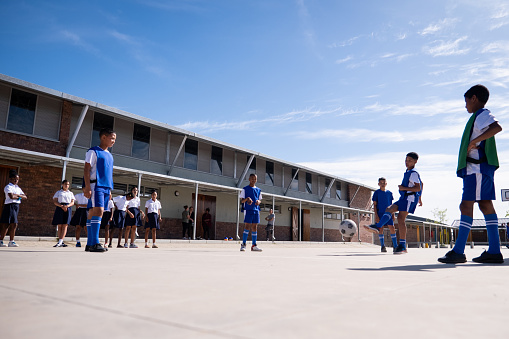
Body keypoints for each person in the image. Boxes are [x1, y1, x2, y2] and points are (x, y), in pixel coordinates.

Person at [439, 84, 504, 264]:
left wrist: (475, 141)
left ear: (474, 98)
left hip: (477, 170)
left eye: (466, 101)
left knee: (465, 206)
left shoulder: (482, 114)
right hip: (480, 170)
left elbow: (497, 127)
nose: (465, 105)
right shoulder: (478, 116)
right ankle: (494, 251)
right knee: (485, 205)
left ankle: (459, 251)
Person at [364, 152, 422, 254]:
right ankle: (379, 226)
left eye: (410, 160)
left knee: (401, 219)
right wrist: (420, 198)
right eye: (406, 160)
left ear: (415, 161)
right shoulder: (409, 172)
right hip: (404, 198)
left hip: (409, 199)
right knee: (389, 209)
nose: (407, 162)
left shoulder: (413, 173)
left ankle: (402, 246)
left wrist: (404, 188)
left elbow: (418, 187)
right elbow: (422, 183)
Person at [83, 127, 116, 252]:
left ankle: (90, 244)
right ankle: (95, 242)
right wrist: (87, 186)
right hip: (96, 185)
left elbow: (108, 173)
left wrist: (110, 190)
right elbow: (86, 169)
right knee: (99, 211)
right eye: (112, 138)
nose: (113, 141)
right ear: (103, 137)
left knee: (93, 211)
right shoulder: (93, 151)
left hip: (106, 187)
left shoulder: (110, 155)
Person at [0, 170, 27, 247]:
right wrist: (19, 196)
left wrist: (17, 195)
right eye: (14, 179)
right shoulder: (8, 187)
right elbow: (11, 196)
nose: (16, 181)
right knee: (7, 224)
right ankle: (1, 240)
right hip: (9, 206)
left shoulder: (18, 188)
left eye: (17, 179)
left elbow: (25, 197)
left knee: (14, 224)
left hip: (16, 206)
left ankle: (11, 241)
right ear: (10, 179)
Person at [372, 177, 398, 252]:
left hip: (389, 213)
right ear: (378, 184)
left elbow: (391, 205)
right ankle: (383, 246)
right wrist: (376, 215)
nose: (383, 184)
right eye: (381, 183)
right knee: (381, 229)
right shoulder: (376, 193)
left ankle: (395, 246)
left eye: (384, 183)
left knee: (392, 228)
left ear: (386, 183)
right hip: (380, 213)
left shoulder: (389, 193)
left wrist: (393, 214)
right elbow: (375, 205)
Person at [239, 173, 263, 252]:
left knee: (254, 227)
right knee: (247, 226)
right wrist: (247, 199)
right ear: (249, 179)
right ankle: (243, 244)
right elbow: (242, 201)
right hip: (248, 210)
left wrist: (258, 202)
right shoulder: (245, 189)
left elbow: (260, 200)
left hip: (256, 210)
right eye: (252, 178)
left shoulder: (259, 190)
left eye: (255, 178)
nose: (253, 180)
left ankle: (254, 245)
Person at [52, 180, 75, 247]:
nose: (66, 186)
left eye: (68, 184)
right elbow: (55, 201)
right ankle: (60, 241)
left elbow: (72, 202)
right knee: (60, 225)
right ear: (62, 184)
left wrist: (67, 206)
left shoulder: (70, 193)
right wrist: (61, 206)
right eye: (65, 184)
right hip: (60, 207)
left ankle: (61, 241)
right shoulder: (58, 192)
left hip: (68, 207)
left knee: (65, 225)